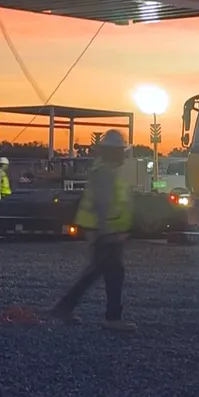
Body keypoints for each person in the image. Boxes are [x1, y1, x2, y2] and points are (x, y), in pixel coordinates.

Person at [47, 129, 136, 332]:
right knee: (111, 274)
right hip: (106, 232)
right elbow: (103, 204)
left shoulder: (105, 170)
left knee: (98, 272)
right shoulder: (105, 173)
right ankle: (111, 318)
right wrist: (109, 232)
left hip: (104, 230)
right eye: (121, 151)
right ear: (117, 153)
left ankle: (65, 308)